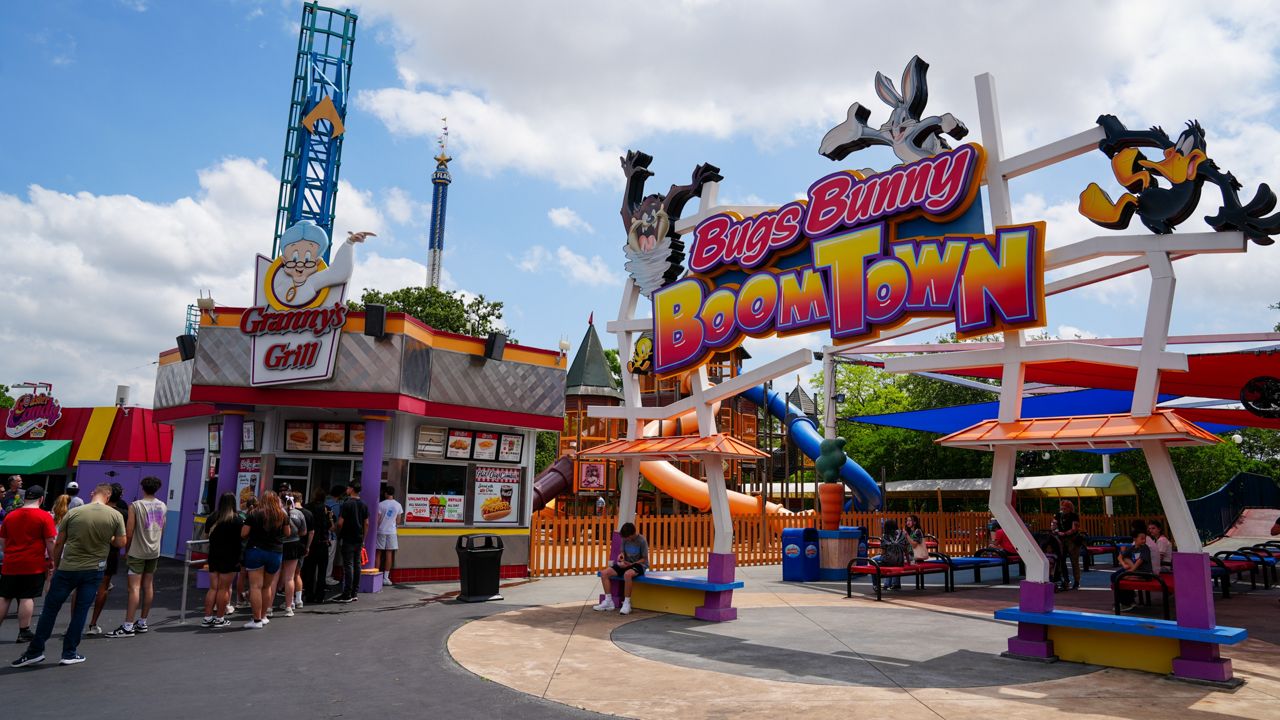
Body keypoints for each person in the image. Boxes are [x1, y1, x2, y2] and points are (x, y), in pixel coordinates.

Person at [12, 483, 126, 667]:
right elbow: (121, 542)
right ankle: (69, 652)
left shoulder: (74, 513)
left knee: (50, 609)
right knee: (81, 611)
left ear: (93, 493)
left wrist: (55, 565)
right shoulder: (115, 515)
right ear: (108, 495)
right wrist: (108, 537)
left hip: (68, 568)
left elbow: (59, 543)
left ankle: (35, 651)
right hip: (94, 570)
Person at [106, 476, 167, 637]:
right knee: (148, 585)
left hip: (137, 551)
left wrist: (126, 550)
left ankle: (128, 625)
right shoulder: (162, 506)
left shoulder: (135, 506)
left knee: (134, 588)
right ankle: (143, 621)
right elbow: (163, 528)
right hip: (154, 550)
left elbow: (130, 531)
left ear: (143, 488)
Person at [0, 485, 56, 643]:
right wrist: (52, 559)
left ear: (25, 499)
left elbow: (3, 541)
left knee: (4, 596)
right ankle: (24, 631)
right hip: (33, 563)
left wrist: (10, 552)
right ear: (41, 499)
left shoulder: (10, 516)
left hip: (10, 563)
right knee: (26, 597)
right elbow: (50, 541)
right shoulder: (44, 517)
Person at [240, 491, 291, 629]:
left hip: (256, 551)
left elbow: (244, 533)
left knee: (255, 586)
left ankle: (256, 620)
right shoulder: (282, 515)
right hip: (275, 552)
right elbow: (288, 533)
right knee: (267, 586)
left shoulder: (254, 513)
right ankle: (263, 616)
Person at [85, 483, 127, 636]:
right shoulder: (122, 513)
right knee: (103, 587)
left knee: (81, 586)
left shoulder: (89, 511)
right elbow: (123, 539)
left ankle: (76, 621)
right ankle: (93, 623)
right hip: (110, 554)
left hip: (88, 552)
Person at [202, 493, 242, 628]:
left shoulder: (212, 517)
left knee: (213, 588)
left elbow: (206, 535)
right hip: (231, 557)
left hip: (214, 555)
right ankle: (220, 618)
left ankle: (207, 618)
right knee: (224, 589)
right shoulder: (237, 519)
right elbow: (242, 536)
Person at [593, 522, 648, 614]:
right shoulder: (625, 539)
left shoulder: (642, 540)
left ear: (632, 535)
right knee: (604, 573)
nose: (625, 539)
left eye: (627, 537)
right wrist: (621, 557)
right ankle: (609, 601)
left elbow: (644, 559)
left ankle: (627, 603)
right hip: (626, 563)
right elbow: (622, 552)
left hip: (639, 564)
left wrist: (631, 564)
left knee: (627, 574)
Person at [334, 483, 368, 603]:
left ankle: (346, 593)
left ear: (352, 489)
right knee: (357, 564)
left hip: (347, 538)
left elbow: (340, 523)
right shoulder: (364, 504)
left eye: (348, 488)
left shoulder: (347, 504)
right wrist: (363, 538)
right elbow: (366, 523)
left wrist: (338, 534)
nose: (346, 490)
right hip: (359, 538)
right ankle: (354, 592)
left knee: (348, 565)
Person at [277, 493, 308, 617]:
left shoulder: (278, 513)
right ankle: (290, 606)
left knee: (275, 576)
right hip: (294, 544)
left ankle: (268, 608)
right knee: (291, 576)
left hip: (280, 545)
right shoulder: (300, 514)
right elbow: (304, 531)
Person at [302, 488, 333, 604]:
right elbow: (331, 526)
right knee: (322, 571)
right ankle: (320, 596)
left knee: (309, 570)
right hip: (323, 542)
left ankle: (309, 594)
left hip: (311, 543)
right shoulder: (327, 509)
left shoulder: (307, 508)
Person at [1115, 527, 1152, 612]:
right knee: (1121, 577)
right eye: (1142, 538)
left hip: (1145, 573)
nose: (1144, 541)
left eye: (1144, 538)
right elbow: (1121, 557)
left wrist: (1131, 571)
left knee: (1121, 578)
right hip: (1137, 571)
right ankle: (1127, 601)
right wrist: (1124, 565)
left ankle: (1127, 602)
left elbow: (1140, 560)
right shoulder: (1132, 548)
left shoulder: (1145, 548)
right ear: (1135, 539)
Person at [376, 485, 403, 585]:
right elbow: (398, 521)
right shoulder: (398, 505)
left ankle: (376, 574)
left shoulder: (380, 504)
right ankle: (386, 578)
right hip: (392, 532)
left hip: (381, 531)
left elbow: (377, 520)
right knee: (389, 554)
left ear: (385, 493)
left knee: (378, 553)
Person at [1053, 500, 1083, 590]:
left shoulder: (1074, 516)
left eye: (1065, 508)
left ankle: (1077, 582)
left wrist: (1065, 533)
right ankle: (1066, 580)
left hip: (1073, 540)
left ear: (1070, 508)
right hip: (1061, 540)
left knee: (1074, 561)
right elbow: (1053, 525)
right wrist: (1055, 530)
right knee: (1061, 561)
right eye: (1062, 508)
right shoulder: (1058, 515)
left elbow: (1074, 528)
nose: (1063, 510)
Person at [878, 519, 910, 591]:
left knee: (875, 560)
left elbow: (883, 551)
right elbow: (906, 549)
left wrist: (880, 555)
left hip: (889, 560)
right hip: (900, 561)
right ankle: (895, 584)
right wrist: (908, 562)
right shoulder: (902, 534)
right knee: (895, 561)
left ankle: (884, 584)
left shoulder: (885, 536)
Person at [324, 485, 344, 587]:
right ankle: (327, 578)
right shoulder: (336, 506)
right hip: (331, 535)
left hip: (322, 535)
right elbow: (337, 523)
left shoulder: (325, 502)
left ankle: (321, 576)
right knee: (330, 557)